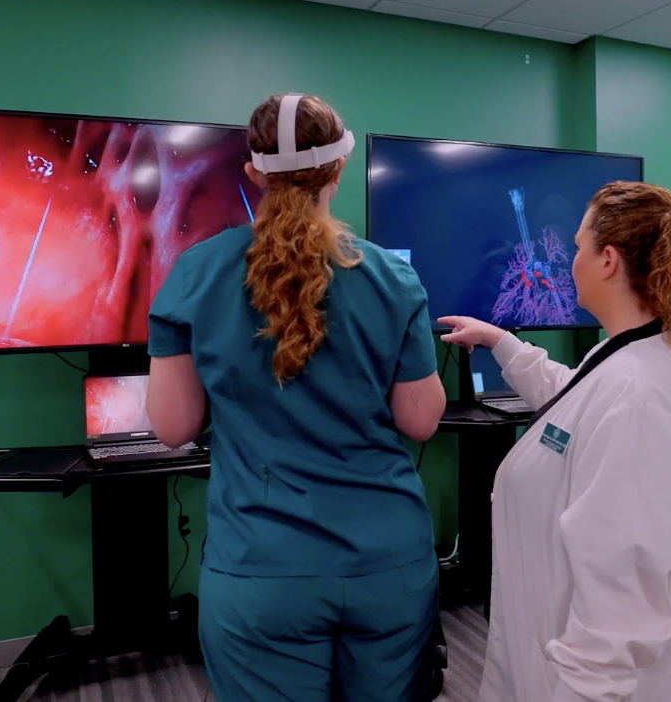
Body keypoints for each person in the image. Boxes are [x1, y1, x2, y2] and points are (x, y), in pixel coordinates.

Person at [142, 93, 447, 702]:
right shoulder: (392, 276)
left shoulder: (194, 273)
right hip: (387, 566)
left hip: (261, 571)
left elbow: (173, 427)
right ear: (338, 171)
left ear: (253, 172)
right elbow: (419, 420)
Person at [441, 181, 671, 702]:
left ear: (608, 260)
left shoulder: (641, 394)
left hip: (644, 678)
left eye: (577, 247)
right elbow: (575, 400)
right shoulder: (639, 352)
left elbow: (623, 606)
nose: (570, 261)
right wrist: (500, 341)